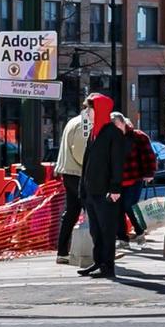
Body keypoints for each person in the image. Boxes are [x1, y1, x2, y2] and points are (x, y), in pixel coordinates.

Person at [77, 93, 125, 280]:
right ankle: (99, 261)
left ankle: (107, 266)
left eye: (89, 108)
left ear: (100, 110)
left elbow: (117, 163)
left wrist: (115, 188)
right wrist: (83, 189)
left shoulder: (113, 134)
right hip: (92, 191)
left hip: (105, 192)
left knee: (107, 230)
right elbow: (87, 162)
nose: (86, 112)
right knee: (95, 230)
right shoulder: (94, 133)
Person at [51, 100, 90, 263]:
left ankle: (62, 252)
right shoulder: (84, 124)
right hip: (78, 172)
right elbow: (81, 152)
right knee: (92, 210)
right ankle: (93, 250)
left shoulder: (73, 121)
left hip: (69, 172)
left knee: (71, 212)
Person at [117, 112, 156, 244]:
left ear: (123, 123)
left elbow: (149, 155)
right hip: (118, 179)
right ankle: (123, 237)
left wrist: (149, 173)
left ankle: (139, 231)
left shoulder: (138, 136)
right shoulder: (113, 136)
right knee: (119, 208)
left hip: (135, 177)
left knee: (129, 205)